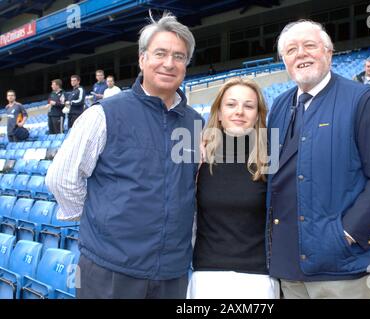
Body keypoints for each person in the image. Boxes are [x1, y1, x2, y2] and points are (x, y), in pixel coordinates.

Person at [46, 11, 202, 299]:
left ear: (186, 64)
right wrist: (103, 222)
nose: (169, 63)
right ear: (142, 59)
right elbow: (61, 179)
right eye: (160, 53)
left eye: (179, 57)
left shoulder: (195, 122)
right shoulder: (104, 114)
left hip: (172, 273)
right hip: (110, 270)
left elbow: (189, 189)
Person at [266, 20, 370, 299]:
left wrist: (346, 235)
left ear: (328, 52)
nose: (300, 54)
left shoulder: (361, 99)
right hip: (288, 265)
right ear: (285, 62)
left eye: (309, 46)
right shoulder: (279, 106)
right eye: (291, 50)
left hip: (340, 266)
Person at [187, 78, 279, 299]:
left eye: (248, 106)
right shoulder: (197, 155)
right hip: (206, 277)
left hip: (258, 279)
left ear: (258, 114)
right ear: (218, 112)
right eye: (231, 104)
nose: (240, 111)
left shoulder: (272, 156)